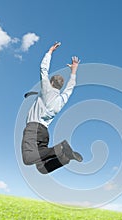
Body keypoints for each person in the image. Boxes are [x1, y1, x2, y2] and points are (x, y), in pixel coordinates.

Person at [21, 41, 83, 174]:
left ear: (50, 82)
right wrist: (74, 71)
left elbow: (43, 69)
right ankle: (65, 158)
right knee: (42, 168)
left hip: (33, 129)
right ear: (60, 86)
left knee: (28, 159)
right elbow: (70, 88)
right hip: (44, 132)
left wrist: (49, 52)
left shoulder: (46, 89)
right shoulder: (61, 99)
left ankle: (61, 148)